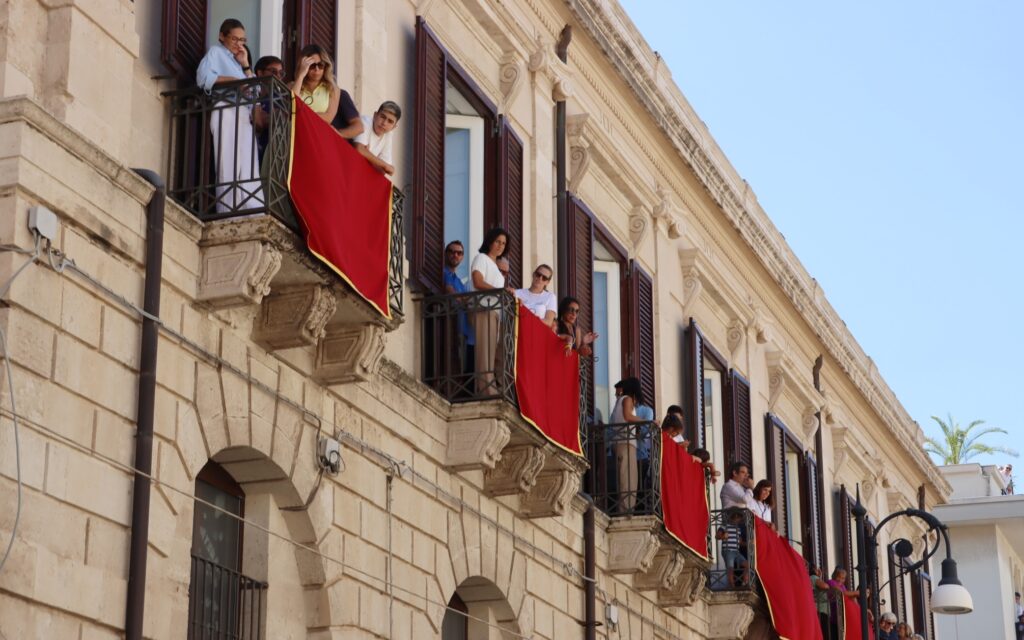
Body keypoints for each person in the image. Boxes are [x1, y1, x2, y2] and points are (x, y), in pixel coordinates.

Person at [195, 19, 264, 213]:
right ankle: (227, 210)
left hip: (242, 113)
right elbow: (203, 77)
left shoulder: (239, 62)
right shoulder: (216, 53)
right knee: (228, 160)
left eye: (243, 40)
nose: (239, 44)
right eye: (234, 39)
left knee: (248, 161)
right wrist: (233, 81)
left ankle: (251, 207)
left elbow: (255, 92)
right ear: (222, 36)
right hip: (225, 108)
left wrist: (246, 65)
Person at [470, 228, 509, 393]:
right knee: (485, 352)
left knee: (492, 351)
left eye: (504, 243)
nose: (500, 246)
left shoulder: (497, 268)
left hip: (495, 312)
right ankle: (486, 390)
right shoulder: (481, 258)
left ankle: (492, 387)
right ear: (490, 241)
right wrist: (500, 293)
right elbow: (478, 282)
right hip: (483, 308)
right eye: (498, 241)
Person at [609, 377, 648, 513]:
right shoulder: (627, 399)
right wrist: (647, 421)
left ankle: (624, 509)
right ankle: (626, 510)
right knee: (629, 479)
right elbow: (627, 416)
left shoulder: (620, 401)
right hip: (625, 443)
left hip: (620, 442)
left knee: (624, 477)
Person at [443, 240, 474, 387]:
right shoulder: (444, 273)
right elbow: (450, 291)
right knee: (455, 361)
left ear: (462, 257)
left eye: (459, 253)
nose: (455, 255)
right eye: (452, 251)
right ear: (446, 254)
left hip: (464, 329)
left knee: (463, 363)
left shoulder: (460, 282)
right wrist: (466, 299)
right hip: (452, 326)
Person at [290, 44, 340, 123]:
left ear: (326, 66)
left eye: (320, 65)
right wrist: (301, 75)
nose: (317, 69)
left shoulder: (332, 89)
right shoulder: (292, 86)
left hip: (318, 133)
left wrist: (301, 115)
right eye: (312, 65)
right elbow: (291, 107)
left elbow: (328, 117)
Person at [354, 101, 401, 175]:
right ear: (375, 115)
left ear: (393, 127)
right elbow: (359, 149)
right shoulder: (365, 121)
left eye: (390, 121)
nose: (384, 123)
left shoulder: (388, 135)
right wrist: (383, 164)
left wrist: (368, 155)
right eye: (382, 117)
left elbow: (382, 171)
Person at [252, 55, 285, 158]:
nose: (278, 76)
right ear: (260, 72)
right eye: (273, 71)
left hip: (271, 153)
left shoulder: (279, 98)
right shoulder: (249, 91)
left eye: (281, 73)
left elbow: (274, 120)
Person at [716, 509, 748, 588]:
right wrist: (723, 536)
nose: (740, 521)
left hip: (736, 552)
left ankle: (744, 582)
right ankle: (732, 587)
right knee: (730, 569)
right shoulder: (724, 526)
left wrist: (749, 544)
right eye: (739, 519)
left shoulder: (738, 529)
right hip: (728, 551)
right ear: (735, 517)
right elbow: (717, 536)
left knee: (748, 565)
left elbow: (740, 542)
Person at [827, 568, 861, 639]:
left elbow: (848, 596)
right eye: (838, 577)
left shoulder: (843, 586)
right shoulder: (831, 582)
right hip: (832, 615)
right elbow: (841, 593)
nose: (840, 580)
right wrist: (856, 593)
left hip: (841, 617)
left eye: (843, 578)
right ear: (834, 575)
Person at [810, 567, 833, 639]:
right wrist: (819, 578)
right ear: (814, 570)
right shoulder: (813, 577)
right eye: (817, 569)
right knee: (825, 633)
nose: (819, 570)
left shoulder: (811, 578)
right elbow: (825, 586)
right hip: (821, 610)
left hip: (819, 609)